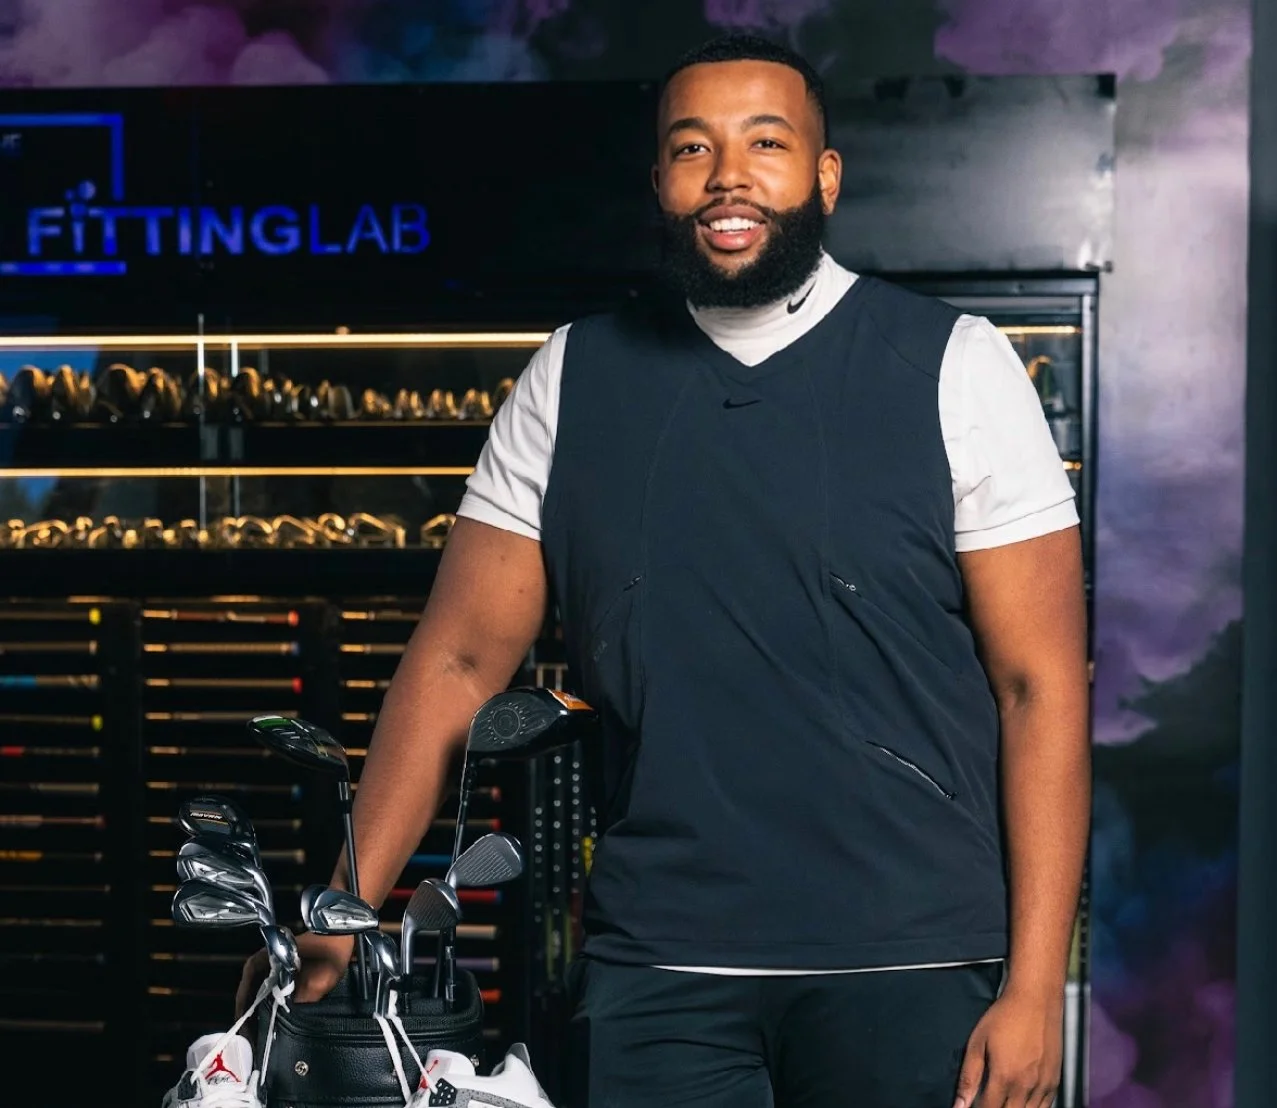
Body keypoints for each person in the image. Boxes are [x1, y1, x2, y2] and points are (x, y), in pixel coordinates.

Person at [238, 33, 1091, 1108]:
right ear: (660, 184)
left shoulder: (956, 366)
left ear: (824, 178)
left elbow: (1040, 686)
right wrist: (337, 910)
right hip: (659, 964)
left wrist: (1034, 987)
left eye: (765, 143)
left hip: (911, 961)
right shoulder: (570, 378)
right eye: (692, 149)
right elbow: (455, 661)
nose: (727, 175)